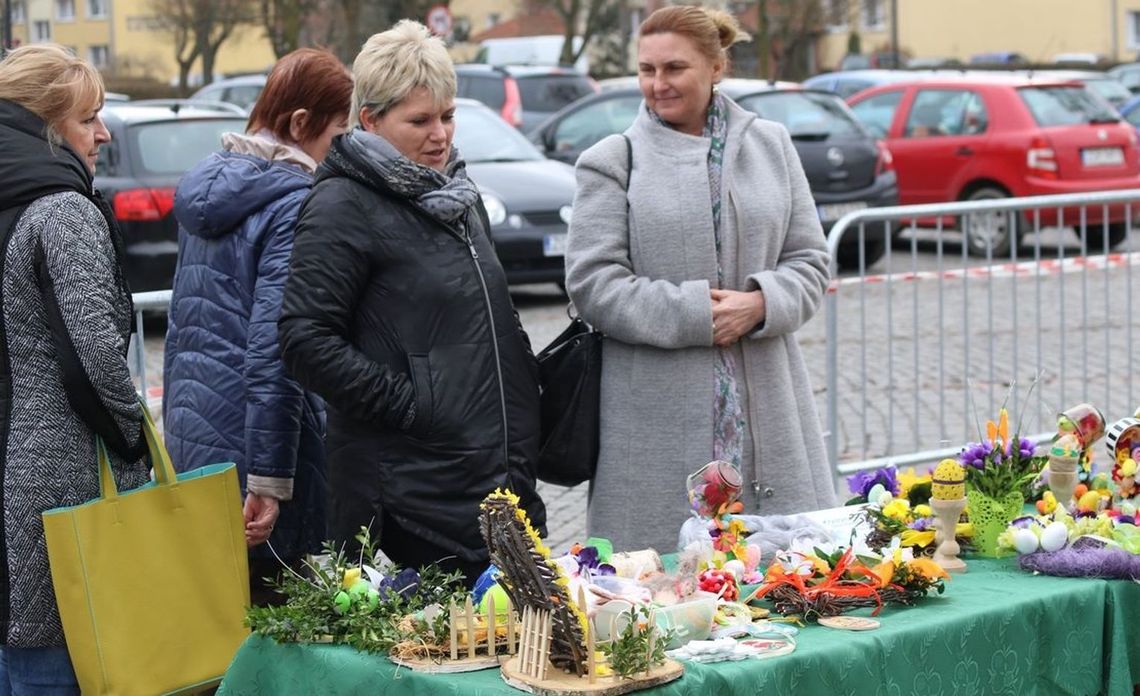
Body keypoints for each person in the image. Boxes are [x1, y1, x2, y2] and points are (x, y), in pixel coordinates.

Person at [278, 21, 547, 585]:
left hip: (498, 485)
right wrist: (414, 407)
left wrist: (525, 390)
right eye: (420, 121)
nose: (440, 135)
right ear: (371, 120)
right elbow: (305, 340)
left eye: (448, 116)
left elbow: (491, 317)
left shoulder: (458, 196)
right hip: (409, 500)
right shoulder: (342, 205)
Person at [565, 6, 837, 554]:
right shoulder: (612, 161)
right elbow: (593, 283)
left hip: (770, 407)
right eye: (647, 70)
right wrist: (699, 315)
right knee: (666, 587)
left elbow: (810, 261)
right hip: (653, 421)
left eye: (674, 68)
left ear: (716, 67)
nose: (658, 84)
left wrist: (760, 304)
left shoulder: (772, 146)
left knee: (788, 577)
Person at [162, 48, 352, 604]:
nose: (340, 150)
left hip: (197, 433)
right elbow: (275, 351)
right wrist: (269, 481)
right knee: (272, 620)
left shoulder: (207, 190)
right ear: (300, 124)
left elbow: (182, 330)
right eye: (337, 135)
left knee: (216, 610)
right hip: (256, 451)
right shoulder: (292, 202)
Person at [0, 44, 149, 692]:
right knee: (63, 656)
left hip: (12, 469)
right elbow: (96, 364)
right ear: (45, 126)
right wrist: (136, 443)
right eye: (88, 118)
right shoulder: (62, 211)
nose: (103, 133)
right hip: (60, 481)